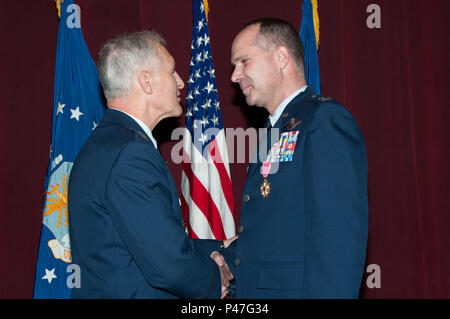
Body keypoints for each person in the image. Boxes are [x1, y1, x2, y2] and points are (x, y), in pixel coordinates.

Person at [68, 31, 232, 298]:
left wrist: (221, 247)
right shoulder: (130, 153)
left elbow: (141, 242)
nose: (181, 82)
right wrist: (217, 280)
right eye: (171, 71)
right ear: (146, 81)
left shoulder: (106, 144)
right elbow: (169, 268)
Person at [228, 18, 369, 298]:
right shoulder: (272, 131)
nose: (235, 75)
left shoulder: (323, 119)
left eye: (244, 61)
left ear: (281, 57)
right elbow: (273, 229)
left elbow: (338, 240)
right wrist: (221, 256)